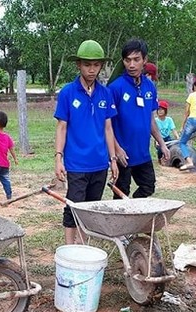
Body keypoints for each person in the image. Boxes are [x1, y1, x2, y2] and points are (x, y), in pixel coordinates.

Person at [54, 39, 119, 245]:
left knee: (90, 209)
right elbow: (62, 127)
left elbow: (108, 128)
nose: (92, 70)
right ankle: (68, 248)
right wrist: (58, 158)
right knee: (74, 206)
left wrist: (113, 158)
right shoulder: (67, 92)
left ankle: (82, 248)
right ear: (78, 65)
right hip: (76, 163)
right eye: (87, 65)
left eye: (96, 65)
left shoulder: (105, 93)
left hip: (100, 162)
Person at [108, 38, 170, 198]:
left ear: (145, 60)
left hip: (142, 152)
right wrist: (116, 149)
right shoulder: (115, 88)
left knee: (148, 186)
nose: (132, 65)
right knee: (121, 194)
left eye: (136, 59)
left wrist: (162, 144)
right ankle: (120, 221)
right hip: (123, 154)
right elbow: (105, 123)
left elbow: (150, 120)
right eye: (128, 60)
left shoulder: (149, 87)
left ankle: (133, 211)